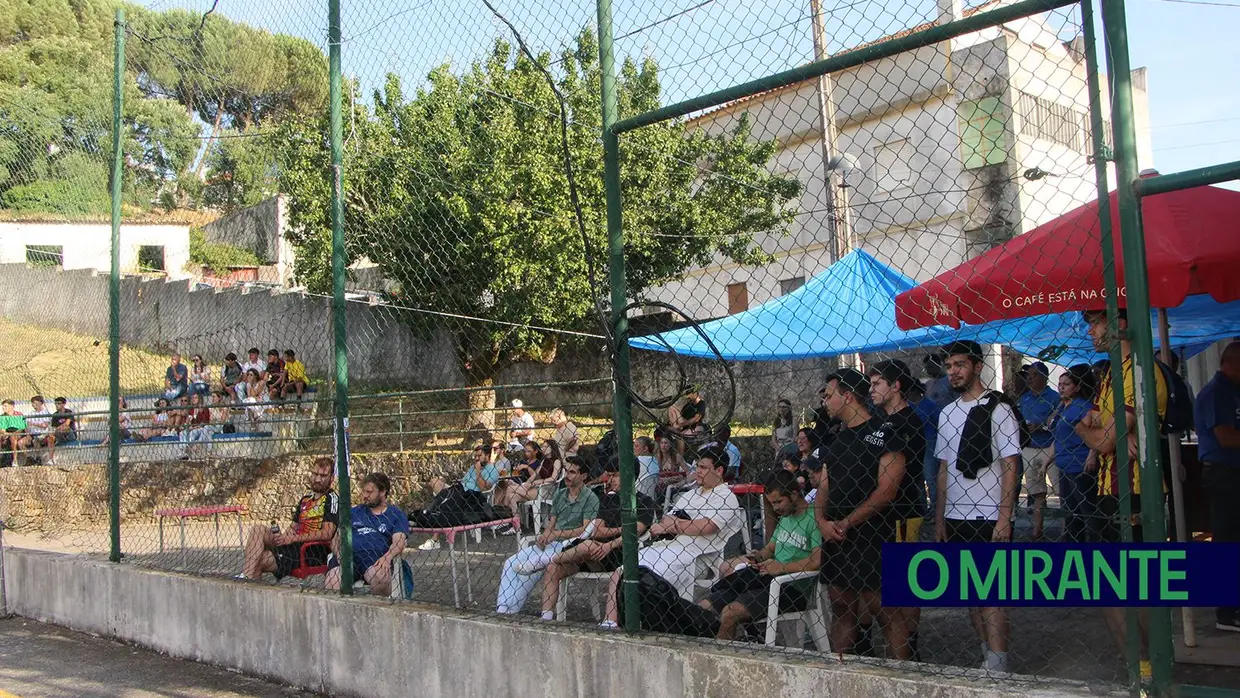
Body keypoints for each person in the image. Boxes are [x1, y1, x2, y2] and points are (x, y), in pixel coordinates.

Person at [1075, 310, 1168, 677]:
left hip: (1136, 492)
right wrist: (1104, 436)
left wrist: (1096, 437)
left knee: (1134, 586)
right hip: (1109, 491)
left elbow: (1097, 434)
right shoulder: (1114, 370)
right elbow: (1095, 424)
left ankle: (1150, 668)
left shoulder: (1141, 370)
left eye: (1096, 321)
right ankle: (1141, 667)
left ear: (1119, 323)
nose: (1090, 330)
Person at [933, 341, 1021, 674]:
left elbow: (1012, 463)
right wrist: (940, 517)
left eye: (959, 364)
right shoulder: (946, 413)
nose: (953, 371)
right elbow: (943, 468)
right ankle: (988, 656)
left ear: (977, 366)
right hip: (955, 517)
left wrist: (1004, 516)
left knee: (993, 595)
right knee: (971, 595)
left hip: (988, 516)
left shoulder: (999, 409)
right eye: (949, 365)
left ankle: (999, 665)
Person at [815, 369, 910, 660]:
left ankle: (904, 679)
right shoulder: (835, 441)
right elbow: (823, 487)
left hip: (873, 535)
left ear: (847, 396)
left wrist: (848, 522)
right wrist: (821, 522)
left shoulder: (886, 432)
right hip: (837, 539)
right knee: (841, 608)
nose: (825, 403)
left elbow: (886, 490)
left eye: (828, 396)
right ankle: (838, 676)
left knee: (885, 611)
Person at [600, 445, 741, 628]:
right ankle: (610, 622)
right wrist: (682, 525)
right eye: (697, 466)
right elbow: (667, 518)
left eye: (703, 467)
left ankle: (650, 624)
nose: (697, 471)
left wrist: (676, 525)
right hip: (668, 546)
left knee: (648, 580)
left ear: (719, 470)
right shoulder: (691, 494)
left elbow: (707, 527)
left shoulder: (725, 497)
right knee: (622, 570)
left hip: (696, 555)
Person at [701, 469, 821, 640]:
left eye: (779, 501)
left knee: (730, 613)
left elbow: (817, 561)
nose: (776, 507)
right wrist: (759, 556)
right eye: (772, 503)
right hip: (768, 577)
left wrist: (780, 567)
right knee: (708, 604)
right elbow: (770, 549)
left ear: (794, 494)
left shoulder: (813, 518)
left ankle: (718, 655)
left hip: (793, 587)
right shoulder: (786, 517)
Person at [538, 458, 656, 620]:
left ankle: (545, 559)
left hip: (618, 553)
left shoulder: (644, 501)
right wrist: (622, 528)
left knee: (586, 546)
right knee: (553, 568)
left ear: (629, 476)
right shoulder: (608, 499)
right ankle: (546, 617)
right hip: (589, 552)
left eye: (616, 476)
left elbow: (634, 533)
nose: (610, 480)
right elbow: (597, 531)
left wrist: (610, 545)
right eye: (610, 475)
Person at [868, 359, 928, 656]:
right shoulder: (877, 420)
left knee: (904, 581)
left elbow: (901, 474)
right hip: (880, 514)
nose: (872, 389)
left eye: (877, 383)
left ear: (896, 385)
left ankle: (910, 644)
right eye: (870, 384)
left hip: (904, 509)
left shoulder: (909, 421)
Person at [496, 459, 599, 614]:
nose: (566, 475)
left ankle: (509, 611)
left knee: (530, 570)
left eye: (572, 472)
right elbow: (552, 523)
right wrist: (544, 535)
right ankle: (502, 608)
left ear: (584, 476)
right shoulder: (560, 494)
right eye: (566, 471)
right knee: (510, 563)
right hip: (551, 543)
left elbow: (584, 530)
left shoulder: (590, 498)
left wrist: (555, 534)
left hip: (570, 546)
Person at [1193, 340, 1240, 633]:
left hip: (1233, 472)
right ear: (1230, 363)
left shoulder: (1233, 392)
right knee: (1227, 539)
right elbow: (1226, 437)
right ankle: (1226, 612)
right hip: (1224, 474)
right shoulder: (1216, 393)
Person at [238, 457, 339, 581]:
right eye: (315, 474)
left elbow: (327, 533)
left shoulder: (332, 499)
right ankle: (246, 577)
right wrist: (284, 537)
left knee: (260, 560)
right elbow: (293, 527)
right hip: (293, 545)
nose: (317, 479)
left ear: (332, 478)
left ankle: (246, 578)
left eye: (323, 476)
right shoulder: (306, 499)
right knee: (258, 529)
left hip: (311, 551)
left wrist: (293, 538)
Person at [325, 472, 409, 596]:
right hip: (349, 556)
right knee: (333, 581)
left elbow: (399, 542)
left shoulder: (395, 515)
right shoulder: (353, 512)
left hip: (374, 559)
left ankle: (380, 611)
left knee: (380, 578)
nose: (364, 496)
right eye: (363, 491)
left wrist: (387, 557)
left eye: (369, 492)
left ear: (383, 492)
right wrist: (339, 555)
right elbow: (336, 539)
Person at [418, 443, 503, 551]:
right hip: (460, 490)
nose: (476, 458)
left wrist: (478, 471)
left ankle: (435, 539)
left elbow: (483, 488)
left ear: (487, 455)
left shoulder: (493, 470)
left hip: (472, 497)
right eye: (475, 456)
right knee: (437, 485)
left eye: (479, 456)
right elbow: (465, 481)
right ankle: (428, 515)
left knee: (446, 503)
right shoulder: (473, 466)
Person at [1049, 365, 1098, 543]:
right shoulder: (1062, 408)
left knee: (1087, 511)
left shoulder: (1084, 407)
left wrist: (1092, 453)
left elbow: (1094, 432)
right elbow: (1057, 437)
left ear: (1077, 387)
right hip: (1064, 465)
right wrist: (1047, 462)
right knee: (1069, 512)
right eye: (1060, 384)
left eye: (1066, 384)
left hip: (1079, 464)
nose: (1061, 387)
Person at [1019, 361, 1060, 541]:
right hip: (1029, 448)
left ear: (1044, 377)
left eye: (1034, 374)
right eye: (1028, 374)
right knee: (1036, 492)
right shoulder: (1025, 398)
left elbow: (1060, 421)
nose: (1029, 377)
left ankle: (1066, 530)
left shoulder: (1055, 397)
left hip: (1050, 448)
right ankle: (1037, 530)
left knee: (1060, 491)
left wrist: (1042, 426)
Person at [909, 380, 942, 520]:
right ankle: (922, 510)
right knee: (917, 479)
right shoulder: (908, 406)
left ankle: (935, 510)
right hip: (913, 444)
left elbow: (940, 422)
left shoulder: (929, 405)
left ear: (915, 391)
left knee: (931, 478)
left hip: (929, 443)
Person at [25, 395, 55, 465]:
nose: (33, 405)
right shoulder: (31, 413)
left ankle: (50, 460)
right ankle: (32, 458)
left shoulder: (46, 413)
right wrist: (27, 435)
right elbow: (26, 425)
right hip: (33, 434)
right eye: (32, 403)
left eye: (35, 403)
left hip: (44, 434)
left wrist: (33, 423)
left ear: (41, 403)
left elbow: (44, 426)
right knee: (21, 443)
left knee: (50, 438)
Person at [1, 400, 28, 467]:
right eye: (3, 406)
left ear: (12, 406)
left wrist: (12, 434)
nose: (3, 408)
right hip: (8, 434)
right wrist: (5, 434)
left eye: (5, 406)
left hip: (18, 434)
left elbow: (21, 428)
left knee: (13, 438)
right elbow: (2, 430)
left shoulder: (18, 415)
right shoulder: (2, 416)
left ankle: (15, 460)